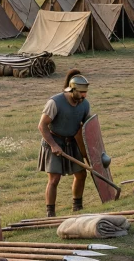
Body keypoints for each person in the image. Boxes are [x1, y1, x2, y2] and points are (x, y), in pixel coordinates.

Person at [37, 71, 93, 216]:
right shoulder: (55, 102)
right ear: (72, 89)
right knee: (54, 178)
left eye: (85, 92)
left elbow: (88, 127)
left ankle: (77, 206)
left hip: (71, 142)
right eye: (81, 92)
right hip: (54, 141)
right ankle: (50, 212)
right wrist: (53, 145)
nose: (84, 95)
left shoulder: (84, 104)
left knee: (81, 174)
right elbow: (42, 126)